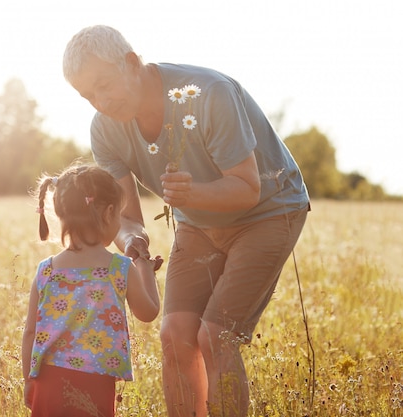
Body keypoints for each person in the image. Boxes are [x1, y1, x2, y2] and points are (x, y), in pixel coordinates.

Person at [62, 25, 310, 417]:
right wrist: (132, 242)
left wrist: (190, 195)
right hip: (197, 222)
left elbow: (247, 189)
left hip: (268, 210)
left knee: (215, 336)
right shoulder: (105, 130)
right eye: (88, 95)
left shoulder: (208, 94)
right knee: (175, 335)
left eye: (104, 85)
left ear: (131, 63)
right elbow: (127, 216)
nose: (101, 101)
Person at [22, 164, 163, 417]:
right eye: (120, 214)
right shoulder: (119, 268)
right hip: (96, 382)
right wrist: (144, 267)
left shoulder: (46, 270)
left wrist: (28, 380)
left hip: (48, 381)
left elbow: (30, 332)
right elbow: (149, 311)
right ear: (109, 212)